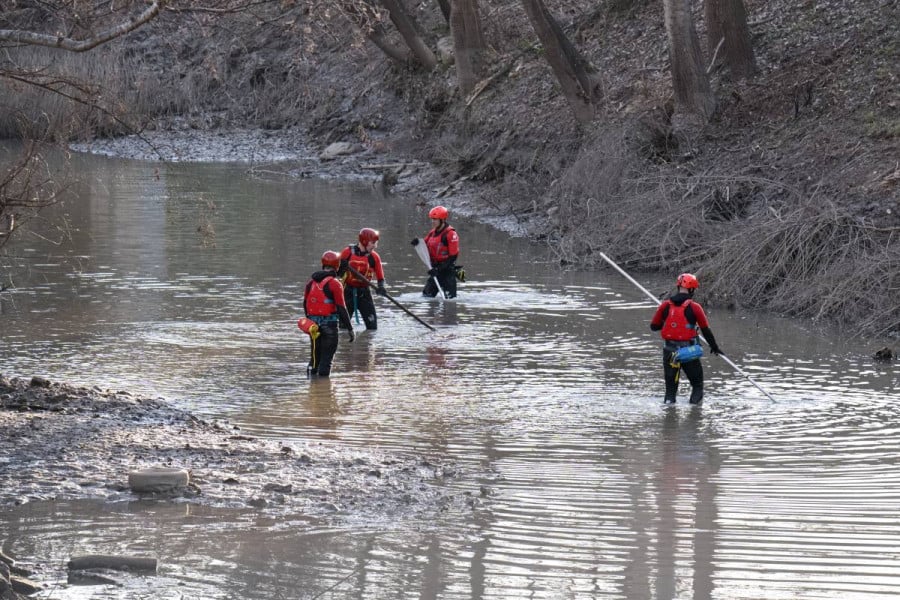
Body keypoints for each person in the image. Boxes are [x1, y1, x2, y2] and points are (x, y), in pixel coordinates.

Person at [649, 273, 723, 404]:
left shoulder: (665, 306)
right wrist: (715, 347)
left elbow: (654, 327)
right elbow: (706, 330)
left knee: (670, 392)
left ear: (678, 287)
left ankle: (669, 417)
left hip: (669, 352)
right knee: (697, 386)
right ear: (692, 289)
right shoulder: (695, 307)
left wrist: (666, 320)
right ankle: (695, 417)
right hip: (689, 352)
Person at [303, 250, 355, 377]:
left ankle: (311, 385)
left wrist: (309, 321)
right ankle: (323, 391)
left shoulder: (310, 282)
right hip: (329, 326)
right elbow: (342, 308)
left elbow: (305, 304)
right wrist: (350, 329)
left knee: (314, 359)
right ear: (337, 266)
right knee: (326, 362)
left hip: (313, 327)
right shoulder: (334, 283)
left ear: (323, 264)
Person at [338, 227, 386, 330]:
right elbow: (337, 274)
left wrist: (381, 287)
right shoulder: (347, 253)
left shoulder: (374, 257)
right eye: (372, 243)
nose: (374, 246)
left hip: (364, 293)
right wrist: (342, 267)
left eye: (375, 243)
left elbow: (380, 277)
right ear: (364, 241)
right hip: (347, 292)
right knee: (342, 329)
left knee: (372, 328)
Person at [411, 205, 460, 298]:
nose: (432, 221)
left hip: (447, 271)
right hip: (435, 270)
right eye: (432, 219)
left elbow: (453, 257)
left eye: (435, 219)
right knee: (426, 296)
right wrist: (417, 242)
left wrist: (438, 269)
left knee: (450, 300)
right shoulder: (432, 232)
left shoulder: (451, 234)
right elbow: (424, 245)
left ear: (442, 220)